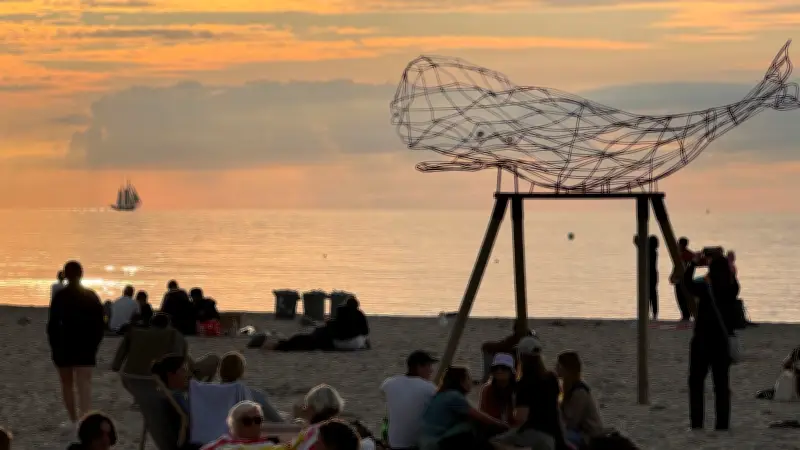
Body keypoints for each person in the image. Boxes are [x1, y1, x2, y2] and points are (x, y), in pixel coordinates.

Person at [47, 261, 106, 429]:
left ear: (65, 275)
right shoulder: (91, 295)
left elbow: (52, 324)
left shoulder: (60, 296)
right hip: (86, 344)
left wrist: (54, 345)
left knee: (67, 384)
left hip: (64, 344)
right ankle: (85, 418)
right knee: (84, 383)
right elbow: (100, 323)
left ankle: (74, 419)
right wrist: (95, 344)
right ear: (82, 274)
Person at [683, 254, 736, 430]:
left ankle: (697, 422)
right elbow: (734, 282)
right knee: (721, 385)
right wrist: (731, 267)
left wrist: (694, 264)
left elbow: (687, 283)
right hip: (721, 341)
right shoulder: (731, 287)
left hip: (702, 339)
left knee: (696, 383)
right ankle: (722, 423)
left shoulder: (705, 287)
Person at [493, 336, 572, 450]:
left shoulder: (524, 383)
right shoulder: (551, 378)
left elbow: (521, 417)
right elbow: (556, 408)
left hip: (535, 433)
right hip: (554, 433)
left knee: (494, 442)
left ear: (521, 356)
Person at [419, 366, 508, 450]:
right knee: (472, 425)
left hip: (425, 441)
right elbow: (479, 416)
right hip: (433, 443)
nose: (471, 381)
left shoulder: (443, 394)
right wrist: (501, 425)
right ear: (461, 381)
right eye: (468, 378)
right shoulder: (454, 396)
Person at [381, 350, 438, 449]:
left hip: (394, 443)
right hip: (415, 444)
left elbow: (382, 391)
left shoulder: (390, 383)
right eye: (429, 366)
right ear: (419, 367)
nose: (431, 370)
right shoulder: (428, 387)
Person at [293, 384, 377, 450]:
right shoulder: (343, 431)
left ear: (313, 408)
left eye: (307, 405)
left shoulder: (315, 432)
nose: (305, 409)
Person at [218, 351, 284, 422]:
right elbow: (278, 420)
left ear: (220, 371)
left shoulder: (210, 393)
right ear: (241, 373)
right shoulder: (254, 395)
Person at [556, 351, 603, 447]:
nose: (555, 368)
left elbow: (572, 422)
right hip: (579, 431)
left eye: (558, 366)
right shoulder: (569, 388)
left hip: (589, 435)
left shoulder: (579, 392)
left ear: (566, 369)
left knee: (560, 438)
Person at [201, 401, 276, 449]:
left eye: (257, 420)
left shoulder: (268, 445)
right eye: (247, 421)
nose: (253, 424)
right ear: (234, 424)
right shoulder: (222, 444)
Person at [478, 353, 516, 422]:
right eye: (495, 368)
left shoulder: (518, 390)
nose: (499, 371)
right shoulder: (487, 389)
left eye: (504, 368)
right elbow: (482, 413)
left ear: (511, 372)